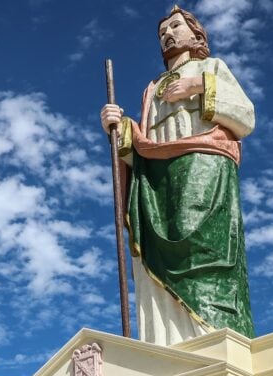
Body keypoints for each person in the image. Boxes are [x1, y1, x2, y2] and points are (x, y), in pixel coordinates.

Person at [101, 6, 256, 346]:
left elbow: (245, 118)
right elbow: (139, 148)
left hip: (203, 166)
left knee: (204, 250)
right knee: (156, 252)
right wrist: (118, 127)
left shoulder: (211, 68)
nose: (168, 34)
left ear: (196, 35)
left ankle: (212, 335)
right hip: (158, 178)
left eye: (175, 26)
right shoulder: (152, 88)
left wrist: (198, 86)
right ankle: (165, 343)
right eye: (162, 32)